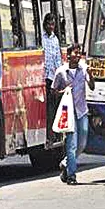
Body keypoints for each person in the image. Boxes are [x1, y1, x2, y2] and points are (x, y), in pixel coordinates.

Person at [52, 44, 96, 185]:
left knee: (82, 144)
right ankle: (72, 175)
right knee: (71, 144)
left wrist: (90, 75)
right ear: (68, 55)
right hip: (69, 113)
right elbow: (53, 91)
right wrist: (63, 90)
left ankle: (66, 164)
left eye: (79, 54)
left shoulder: (83, 69)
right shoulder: (61, 72)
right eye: (75, 53)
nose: (78, 56)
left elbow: (92, 86)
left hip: (82, 111)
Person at [42, 14, 62, 146]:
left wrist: (60, 76)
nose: (50, 26)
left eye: (52, 24)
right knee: (47, 109)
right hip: (44, 77)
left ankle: (55, 134)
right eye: (48, 24)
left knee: (54, 107)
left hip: (53, 77)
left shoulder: (55, 40)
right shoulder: (42, 39)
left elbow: (58, 59)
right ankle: (49, 135)